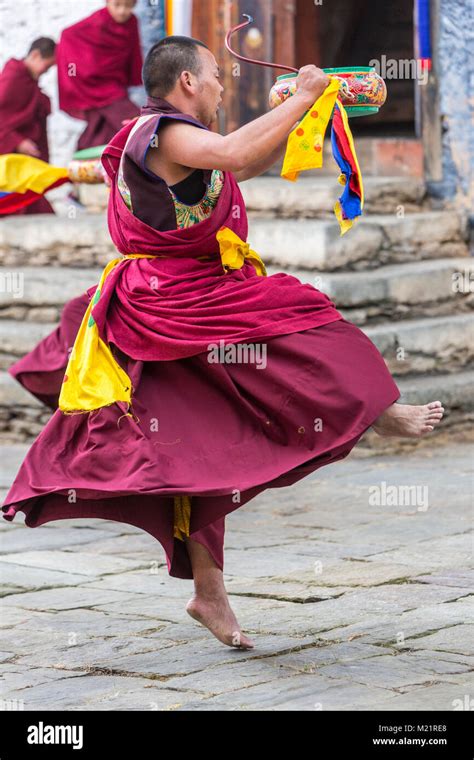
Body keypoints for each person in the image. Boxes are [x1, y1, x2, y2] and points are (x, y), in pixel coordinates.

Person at [2, 37, 445, 651]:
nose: (219, 85)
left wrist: (311, 110)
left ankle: (208, 593)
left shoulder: (183, 141)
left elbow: (246, 159)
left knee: (192, 449)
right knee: (309, 316)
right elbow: (235, 152)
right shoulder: (161, 132)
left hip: (186, 303)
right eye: (214, 75)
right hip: (175, 307)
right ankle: (373, 407)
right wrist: (308, 93)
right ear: (186, 82)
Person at [56, 0, 143, 153]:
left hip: (115, 82)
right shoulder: (98, 20)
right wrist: (85, 70)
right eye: (117, 5)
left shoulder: (132, 21)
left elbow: (133, 51)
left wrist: (133, 75)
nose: (122, 11)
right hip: (94, 83)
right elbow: (68, 35)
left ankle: (85, 163)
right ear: (107, 2)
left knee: (100, 129)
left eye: (128, 6)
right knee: (135, 122)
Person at [0, 37, 56, 215]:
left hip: (21, 160)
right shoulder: (13, 77)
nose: (45, 73)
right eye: (46, 67)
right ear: (35, 55)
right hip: (11, 157)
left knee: (30, 199)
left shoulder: (27, 81)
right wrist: (17, 141)